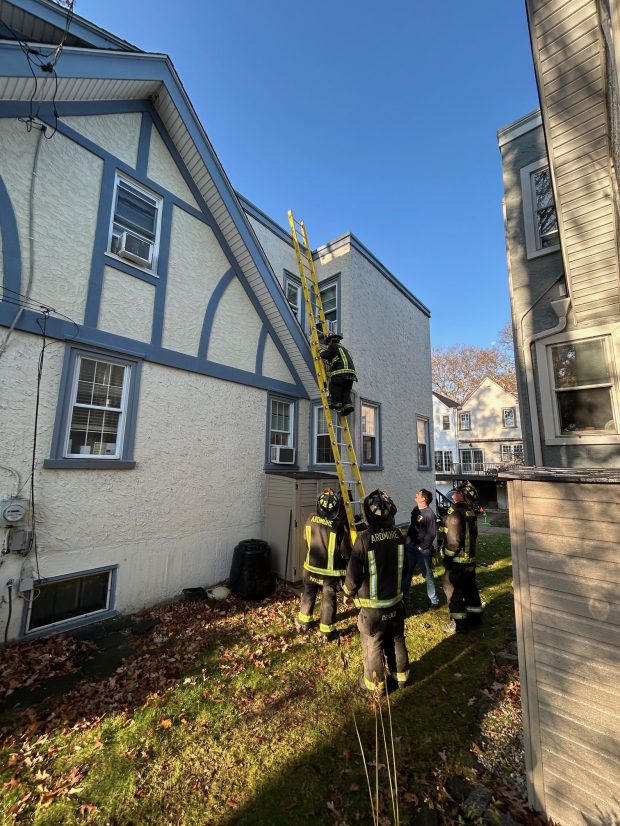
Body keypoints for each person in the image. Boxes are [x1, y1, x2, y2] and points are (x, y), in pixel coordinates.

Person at [342, 489, 410, 694]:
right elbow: (406, 567)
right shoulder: (399, 535)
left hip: (373, 608)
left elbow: (353, 573)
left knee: (373, 644)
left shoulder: (364, 538)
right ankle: (401, 678)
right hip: (395, 602)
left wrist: (347, 593)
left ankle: (376, 685)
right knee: (397, 640)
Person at [296, 488, 352, 642]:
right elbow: (345, 550)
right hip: (330, 574)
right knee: (328, 599)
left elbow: (307, 540)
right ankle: (327, 632)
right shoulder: (338, 526)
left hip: (310, 568)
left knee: (308, 594)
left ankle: (303, 622)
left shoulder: (310, 519)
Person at [438, 486, 483, 634]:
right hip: (469, 560)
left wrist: (447, 560)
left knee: (454, 593)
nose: (454, 494)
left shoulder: (456, 515)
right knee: (470, 590)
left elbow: (453, 543)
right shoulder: (470, 513)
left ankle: (458, 624)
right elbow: (473, 535)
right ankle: (475, 618)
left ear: (463, 497)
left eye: (457, 492)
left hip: (457, 563)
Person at [402, 489, 439, 613]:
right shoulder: (415, 510)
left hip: (422, 550)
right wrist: (408, 542)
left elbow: (432, 534)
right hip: (411, 547)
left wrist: (422, 547)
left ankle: (434, 601)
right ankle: (404, 595)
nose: (416, 495)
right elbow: (412, 527)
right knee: (408, 571)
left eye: (418, 494)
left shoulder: (430, 514)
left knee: (427, 574)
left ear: (423, 499)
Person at [318, 332, 357, 416]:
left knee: (334, 387)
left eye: (328, 343)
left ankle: (337, 404)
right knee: (345, 391)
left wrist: (320, 350)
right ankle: (348, 406)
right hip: (351, 375)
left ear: (331, 341)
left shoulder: (333, 346)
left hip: (340, 372)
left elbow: (326, 355)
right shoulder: (345, 349)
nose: (328, 346)